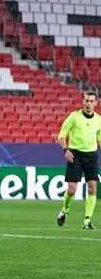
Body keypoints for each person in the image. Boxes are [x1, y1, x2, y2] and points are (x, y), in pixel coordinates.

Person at [56, 91, 101, 230]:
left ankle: (87, 221)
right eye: (87, 101)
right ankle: (65, 210)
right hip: (75, 154)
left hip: (91, 155)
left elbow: (99, 138)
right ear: (83, 102)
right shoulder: (74, 116)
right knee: (72, 189)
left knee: (92, 187)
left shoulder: (99, 120)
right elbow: (62, 135)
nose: (89, 104)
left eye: (91, 101)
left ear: (96, 103)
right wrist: (65, 150)